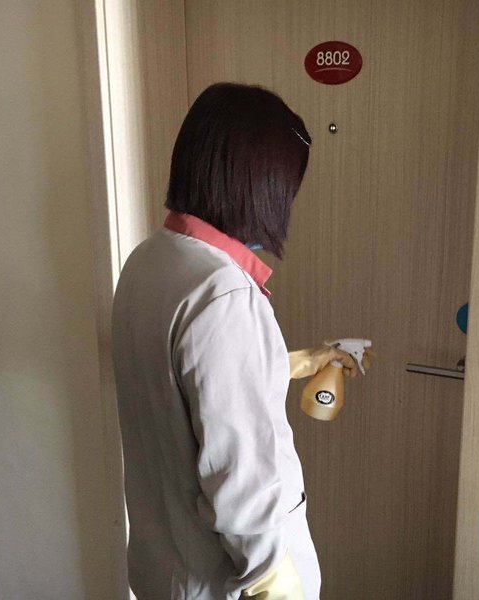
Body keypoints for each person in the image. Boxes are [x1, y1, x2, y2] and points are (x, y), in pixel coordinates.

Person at [111, 82, 369, 599]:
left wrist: (290, 361)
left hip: (163, 564)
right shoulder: (222, 292)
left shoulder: (152, 259)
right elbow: (240, 476)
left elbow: (186, 387)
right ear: (261, 185)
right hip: (225, 579)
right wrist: (274, 581)